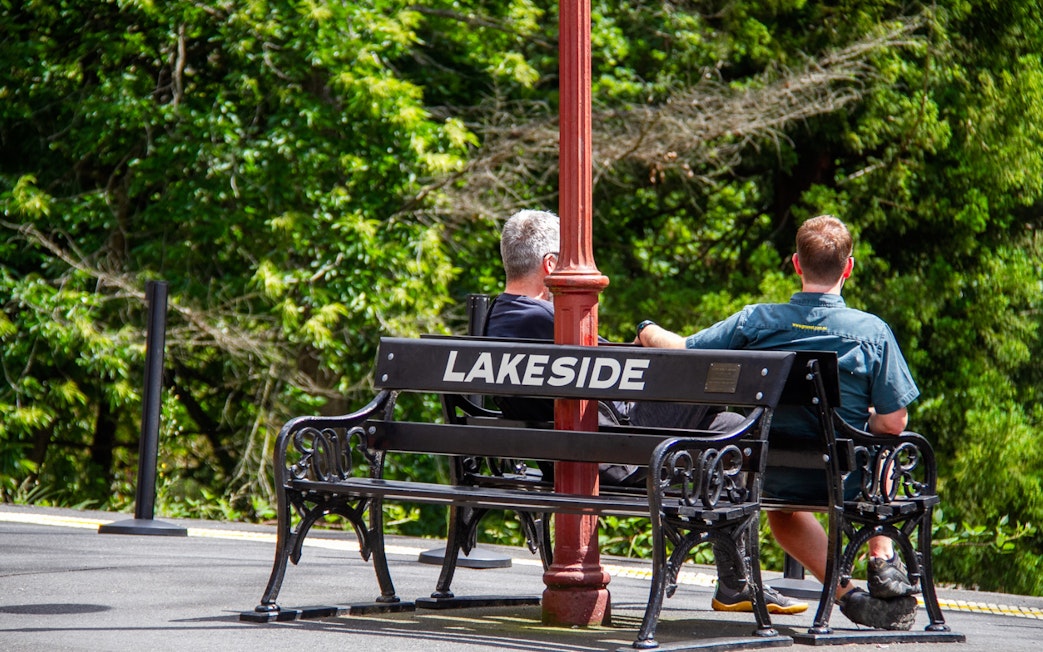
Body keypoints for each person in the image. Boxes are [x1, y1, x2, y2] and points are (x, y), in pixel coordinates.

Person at [486, 209, 808, 615]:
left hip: (566, 452)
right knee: (715, 385)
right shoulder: (553, 320)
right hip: (609, 456)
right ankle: (735, 582)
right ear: (552, 265)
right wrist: (648, 332)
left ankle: (736, 583)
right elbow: (624, 368)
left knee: (727, 429)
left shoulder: (497, 319)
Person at [634, 214, 920, 630]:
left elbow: (683, 349)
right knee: (891, 450)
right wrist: (868, 422)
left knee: (783, 515)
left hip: (767, 475)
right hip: (845, 478)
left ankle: (848, 594)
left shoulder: (756, 322)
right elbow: (894, 423)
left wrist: (647, 330)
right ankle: (881, 555)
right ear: (849, 267)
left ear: (796, 264)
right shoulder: (871, 332)